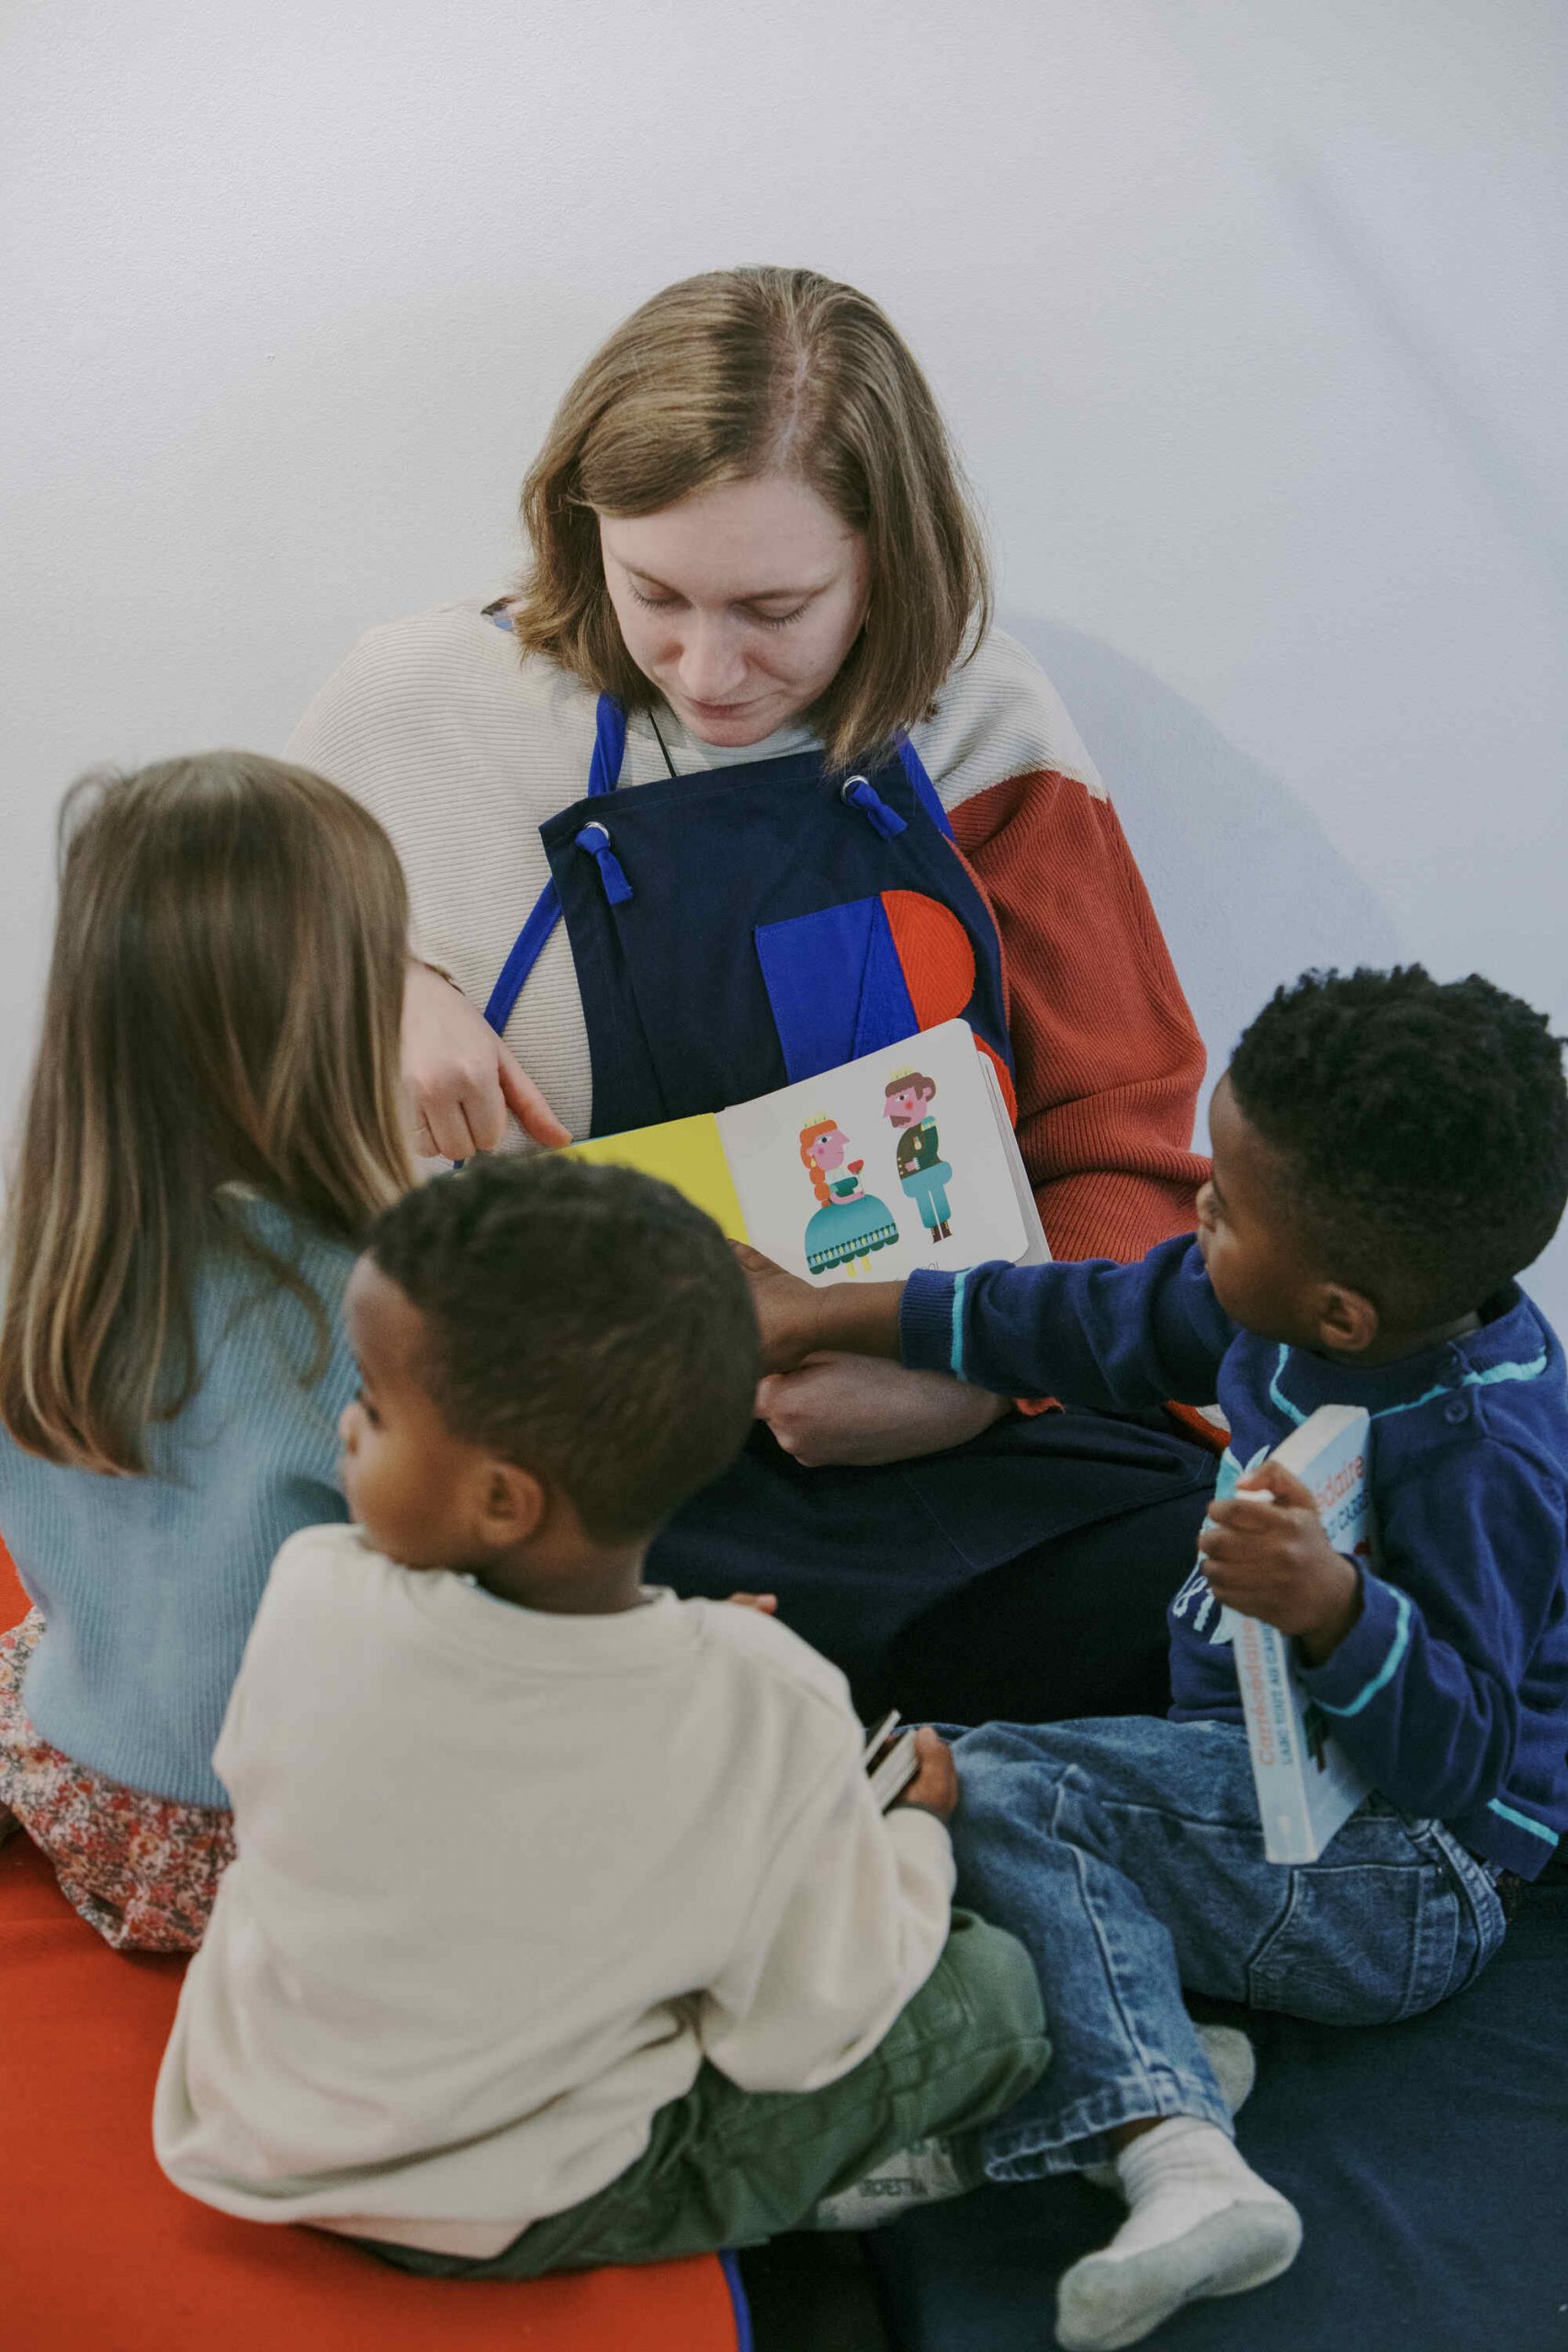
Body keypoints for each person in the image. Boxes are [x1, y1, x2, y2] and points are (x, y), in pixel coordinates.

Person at [284, 264, 1220, 1722]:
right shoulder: (413, 707)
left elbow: (1115, 1143)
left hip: (968, 1432)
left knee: (1249, 1609)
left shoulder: (981, 723)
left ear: (888, 559)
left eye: (775, 608)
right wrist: (374, 983)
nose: (707, 669)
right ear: (578, 526)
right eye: (652, 593)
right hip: (585, 1462)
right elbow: (197, 1003)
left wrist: (981, 1372)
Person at [744, 967, 1568, 2349]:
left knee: (990, 1788)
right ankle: (1164, 2051)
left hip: (1410, 1877)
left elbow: (1462, 1761)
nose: (1194, 1212)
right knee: (960, 1784)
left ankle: (1178, 2160)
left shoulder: (1479, 1451)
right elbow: (1074, 1319)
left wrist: (1334, 1610)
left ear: (1341, 1315)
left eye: (1222, 1206)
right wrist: (820, 1310)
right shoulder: (1279, 1303)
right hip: (1250, 1781)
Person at [152, 1154, 1049, 2275]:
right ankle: (828, 2182)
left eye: (373, 1407)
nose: (344, 1428)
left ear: (503, 1498)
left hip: (251, 2109)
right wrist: (912, 1836)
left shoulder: (314, 1587)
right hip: (498, 2205)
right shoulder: (763, 1704)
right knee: (997, 1996)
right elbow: (794, 2032)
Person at [0, 752, 412, 1950]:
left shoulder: (42, 1250)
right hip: (269, 1849)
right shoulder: (382, 1301)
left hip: (84, 1784)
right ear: (341, 1013)